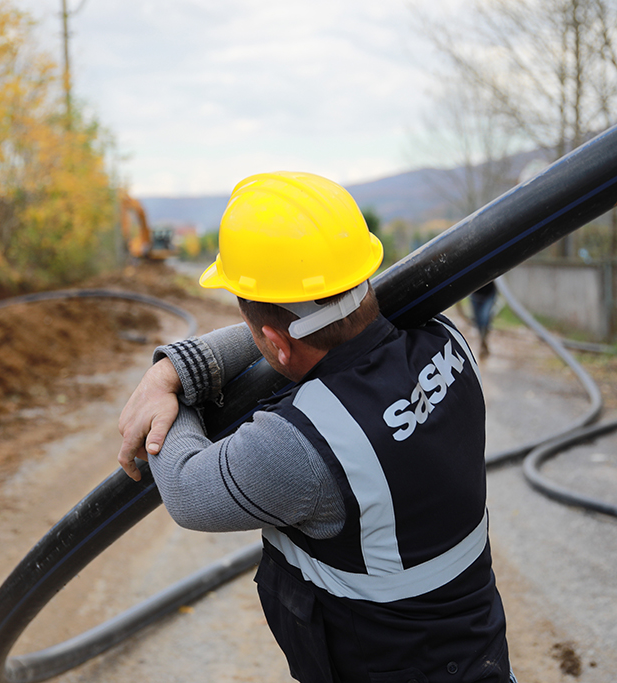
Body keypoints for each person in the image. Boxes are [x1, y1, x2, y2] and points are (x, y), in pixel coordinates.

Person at [116, 171, 514, 683]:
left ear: (279, 347)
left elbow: (188, 490)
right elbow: (316, 322)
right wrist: (179, 366)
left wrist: (164, 390)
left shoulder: (302, 444)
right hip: (481, 658)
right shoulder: (444, 339)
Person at [469, 281, 497, 358]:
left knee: (484, 319)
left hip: (489, 294)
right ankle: (482, 341)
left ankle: (483, 341)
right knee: (478, 321)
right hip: (475, 295)